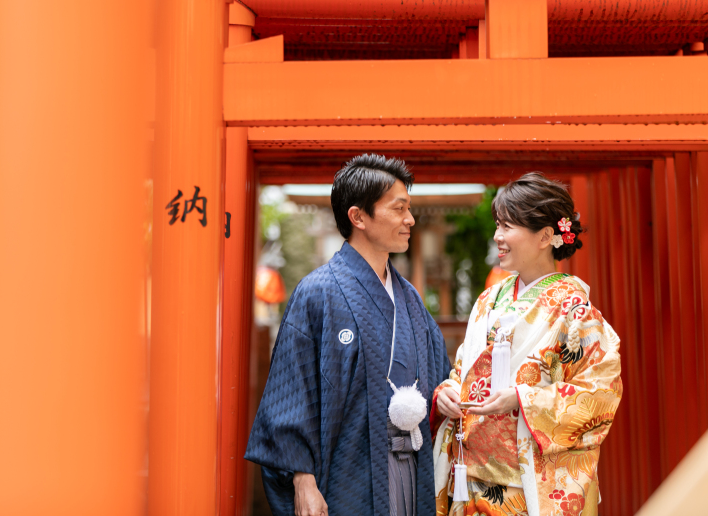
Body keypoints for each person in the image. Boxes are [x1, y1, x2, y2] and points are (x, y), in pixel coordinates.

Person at [245, 154, 452, 516]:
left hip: (412, 464)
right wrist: (303, 480)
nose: (410, 219)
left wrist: (446, 393)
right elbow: (292, 393)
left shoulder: (410, 298)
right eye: (399, 208)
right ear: (358, 217)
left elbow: (438, 377)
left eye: (409, 208)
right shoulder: (317, 292)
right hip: (347, 475)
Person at [430, 173, 622, 516]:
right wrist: (448, 391)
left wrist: (522, 398)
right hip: (470, 480)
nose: (497, 237)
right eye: (497, 225)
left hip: (527, 485)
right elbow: (464, 370)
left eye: (507, 227)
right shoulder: (489, 299)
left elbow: (600, 393)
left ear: (545, 236)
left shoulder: (574, 309)